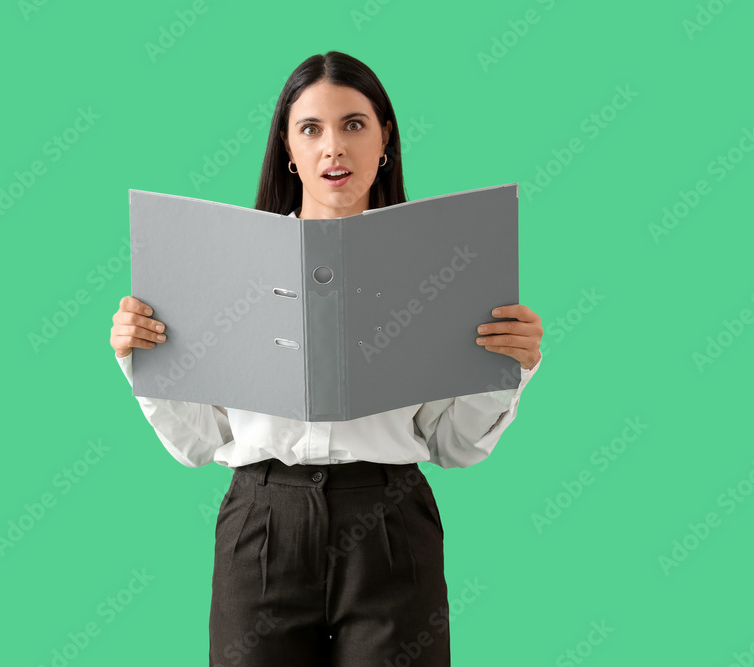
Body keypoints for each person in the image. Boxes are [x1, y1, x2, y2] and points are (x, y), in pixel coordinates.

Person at [109, 51, 543, 667]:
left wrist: (509, 367)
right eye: (310, 129)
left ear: (385, 138)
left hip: (391, 525)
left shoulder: (439, 267)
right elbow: (198, 444)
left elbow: (456, 446)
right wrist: (141, 362)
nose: (332, 147)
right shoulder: (225, 267)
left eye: (354, 124)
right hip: (260, 526)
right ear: (287, 147)